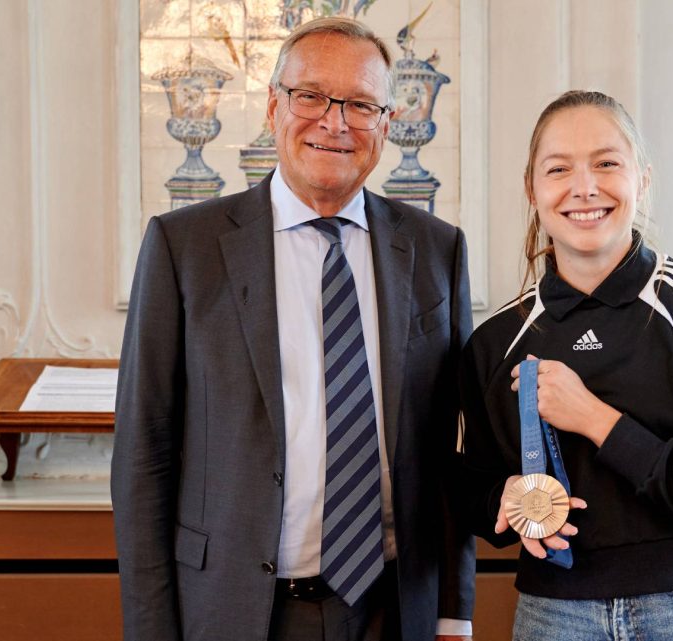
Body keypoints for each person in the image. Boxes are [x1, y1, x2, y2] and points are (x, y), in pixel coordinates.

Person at [111, 17, 474, 641]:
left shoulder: (437, 251)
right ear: (274, 107)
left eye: (361, 104)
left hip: (394, 607)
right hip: (235, 608)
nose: (335, 122)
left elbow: (450, 452)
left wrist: (453, 613)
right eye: (311, 96)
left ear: (387, 123)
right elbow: (143, 454)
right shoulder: (185, 247)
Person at [458, 90, 673, 641]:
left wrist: (594, 418)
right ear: (532, 189)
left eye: (607, 163)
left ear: (642, 178)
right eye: (559, 169)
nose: (585, 188)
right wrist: (505, 500)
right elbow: (469, 489)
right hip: (553, 614)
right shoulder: (492, 342)